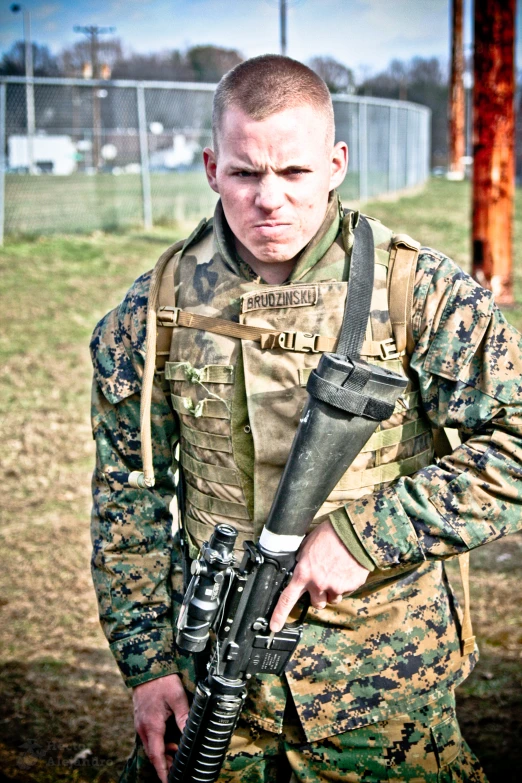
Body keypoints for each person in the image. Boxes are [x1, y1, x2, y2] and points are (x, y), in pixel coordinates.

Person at [90, 55, 522, 783]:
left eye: (293, 174)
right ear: (209, 168)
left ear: (335, 164)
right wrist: (148, 663)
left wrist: (362, 536)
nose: (270, 200)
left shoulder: (417, 291)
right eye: (245, 173)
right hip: (214, 693)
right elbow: (126, 501)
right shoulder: (154, 311)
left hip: (381, 692)